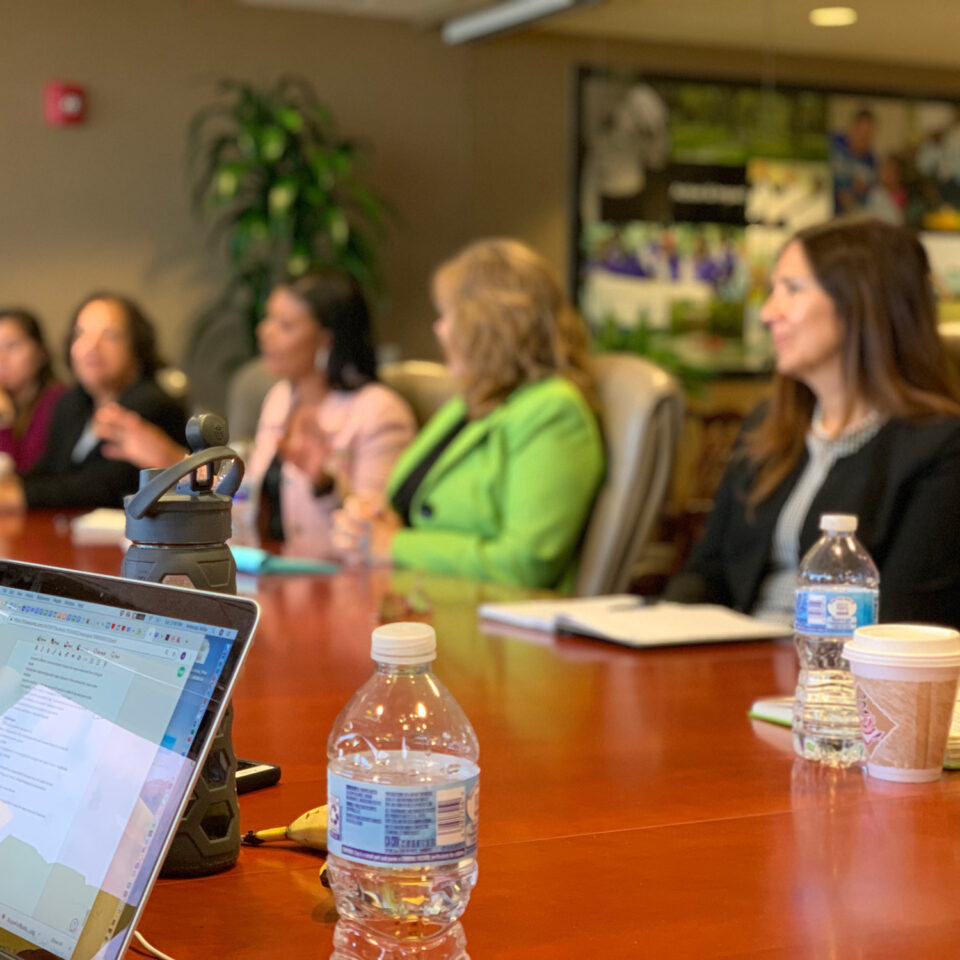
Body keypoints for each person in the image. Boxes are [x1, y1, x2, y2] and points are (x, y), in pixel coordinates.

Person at [664, 216, 960, 628]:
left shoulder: (940, 447)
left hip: (835, 682)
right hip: (733, 665)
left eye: (793, 289)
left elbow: (905, 623)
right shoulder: (767, 425)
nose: (769, 313)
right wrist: (655, 631)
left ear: (860, 301)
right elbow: (707, 571)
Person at [333, 238, 605, 591]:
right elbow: (409, 507)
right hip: (419, 605)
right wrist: (372, 520)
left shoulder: (554, 410)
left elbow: (526, 564)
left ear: (485, 324)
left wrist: (395, 545)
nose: (439, 329)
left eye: (445, 315)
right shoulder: (472, 401)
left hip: (492, 633)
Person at [96, 273, 416, 555]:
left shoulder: (379, 412)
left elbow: (373, 538)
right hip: (272, 575)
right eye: (268, 318)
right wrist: (174, 461)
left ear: (326, 340)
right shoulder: (279, 398)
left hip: (340, 588)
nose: (264, 331)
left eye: (285, 325)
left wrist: (324, 484)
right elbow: (241, 503)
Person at [0, 293, 187, 510]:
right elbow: (45, 470)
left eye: (109, 334)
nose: (91, 345)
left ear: (137, 345)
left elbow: (102, 489)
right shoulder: (71, 403)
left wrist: (15, 495)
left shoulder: (152, 403)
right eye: (80, 334)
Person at [0, 309, 67, 474]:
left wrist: (4, 421)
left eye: (12, 345)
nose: (2, 357)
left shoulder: (59, 400)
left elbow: (25, 476)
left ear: (41, 353)